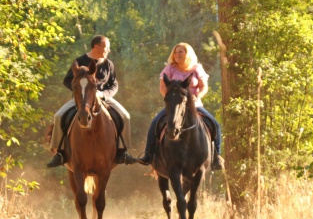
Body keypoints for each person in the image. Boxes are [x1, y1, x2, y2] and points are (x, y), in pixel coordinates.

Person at [47, 35, 136, 167]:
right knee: (58, 116)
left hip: (103, 98)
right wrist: (80, 92)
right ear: (96, 46)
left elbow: (114, 85)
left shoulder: (108, 64)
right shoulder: (79, 61)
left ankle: (122, 151)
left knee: (125, 116)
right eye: (106, 47)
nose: (108, 50)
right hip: (83, 99)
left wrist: (104, 95)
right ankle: (60, 153)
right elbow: (67, 80)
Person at [137, 42, 224, 170]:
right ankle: (148, 154)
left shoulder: (196, 68)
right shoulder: (169, 68)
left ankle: (216, 157)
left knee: (214, 124)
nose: (177, 55)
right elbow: (163, 87)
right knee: (155, 122)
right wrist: (171, 99)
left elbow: (204, 86)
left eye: (180, 52)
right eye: (175, 52)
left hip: (194, 105)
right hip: (174, 106)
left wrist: (197, 95)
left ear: (187, 53)